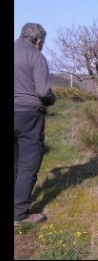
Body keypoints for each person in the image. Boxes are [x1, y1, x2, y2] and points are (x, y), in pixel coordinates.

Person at [14, 22, 55, 226]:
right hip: (28, 116)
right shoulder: (36, 56)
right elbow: (43, 92)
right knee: (27, 164)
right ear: (38, 41)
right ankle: (19, 214)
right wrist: (52, 99)